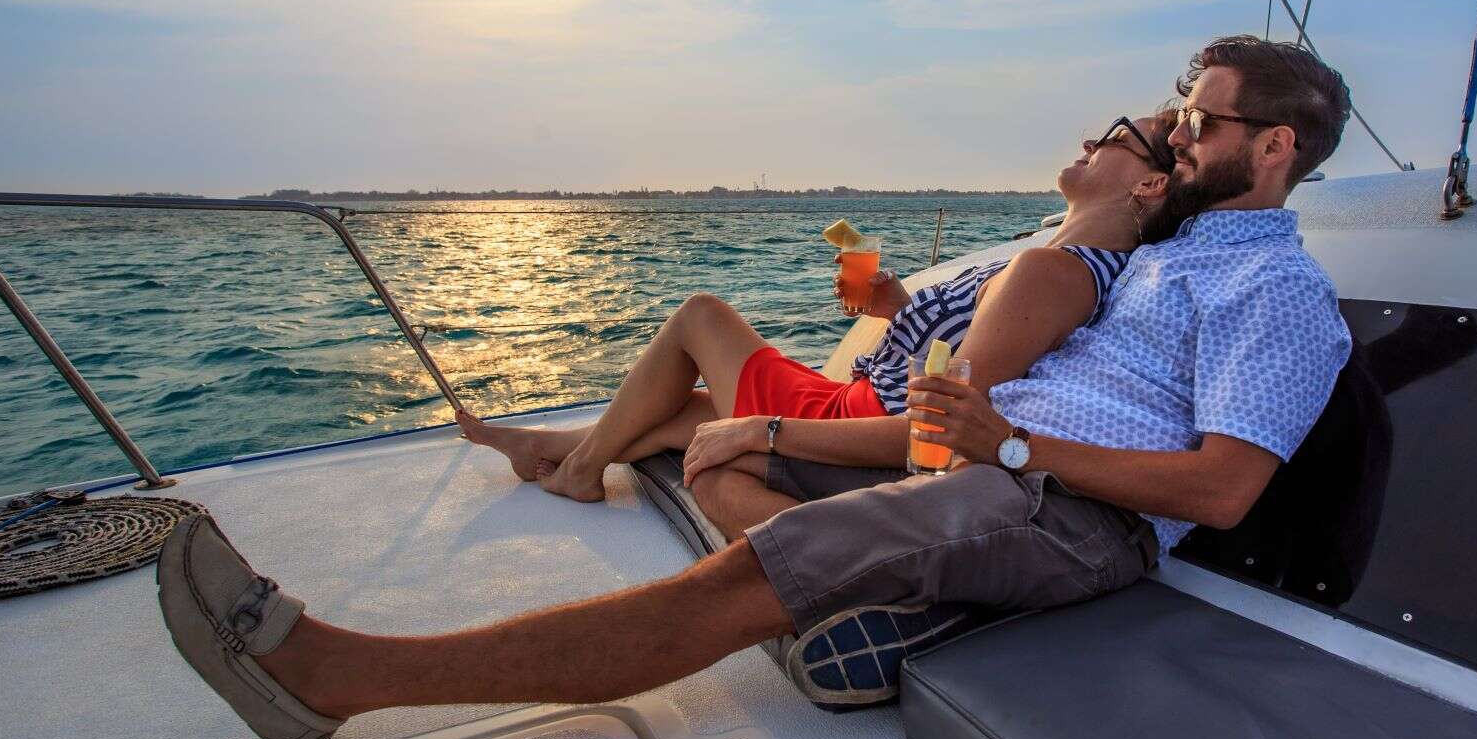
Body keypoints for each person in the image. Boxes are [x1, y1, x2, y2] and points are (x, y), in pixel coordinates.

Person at [156, 35, 1355, 739]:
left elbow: (1226, 489)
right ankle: (878, 604)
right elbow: (1058, 265)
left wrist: (1017, 449)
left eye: (1202, 121)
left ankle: (337, 676)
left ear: (1278, 149)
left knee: (747, 573)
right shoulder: (1170, 255)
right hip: (998, 473)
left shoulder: (1278, 294)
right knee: (725, 456)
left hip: (1065, 515)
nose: (1181, 135)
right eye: (1182, 116)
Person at [455, 111, 1179, 503]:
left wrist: (774, 431)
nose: (1092, 138)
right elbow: (955, 351)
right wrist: (892, 302)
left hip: (864, 418)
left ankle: (578, 467)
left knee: (701, 316)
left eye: (1119, 137)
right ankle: (563, 451)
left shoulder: (1053, 270)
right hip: (861, 396)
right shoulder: (1052, 263)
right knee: (690, 409)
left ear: (1148, 187)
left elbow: (941, 415)